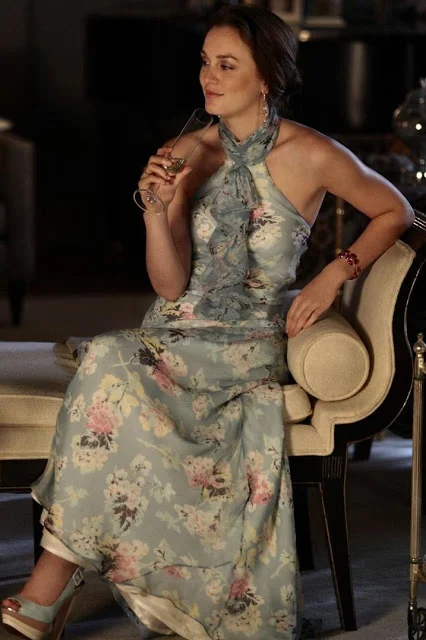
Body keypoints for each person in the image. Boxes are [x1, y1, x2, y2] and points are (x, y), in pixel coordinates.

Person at [1, 5, 414, 640]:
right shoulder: (184, 150)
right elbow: (169, 285)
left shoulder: (311, 153)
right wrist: (154, 210)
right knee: (111, 358)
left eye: (226, 65)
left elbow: (397, 210)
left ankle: (44, 595)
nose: (208, 78)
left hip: (248, 340)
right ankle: (51, 592)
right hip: (175, 327)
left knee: (109, 361)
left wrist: (333, 274)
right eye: (204, 62)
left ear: (267, 78)